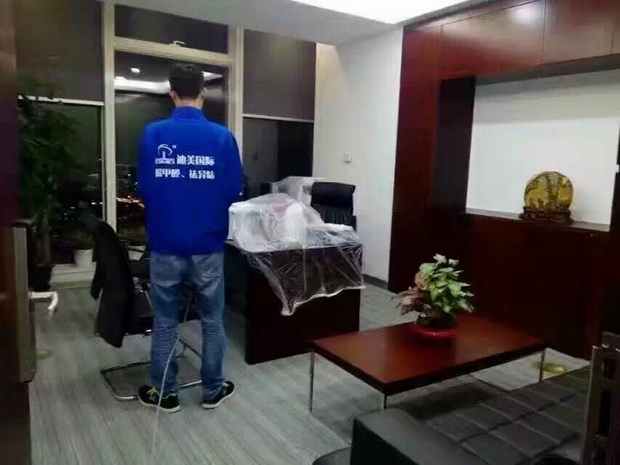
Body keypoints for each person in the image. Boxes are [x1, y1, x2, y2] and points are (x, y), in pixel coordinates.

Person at [136, 64, 243, 413]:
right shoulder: (222, 138)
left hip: (165, 243)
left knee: (165, 320)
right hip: (207, 245)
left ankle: (165, 394)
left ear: (172, 93)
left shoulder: (152, 134)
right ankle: (212, 390)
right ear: (203, 93)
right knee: (212, 319)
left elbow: (145, 187)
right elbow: (233, 189)